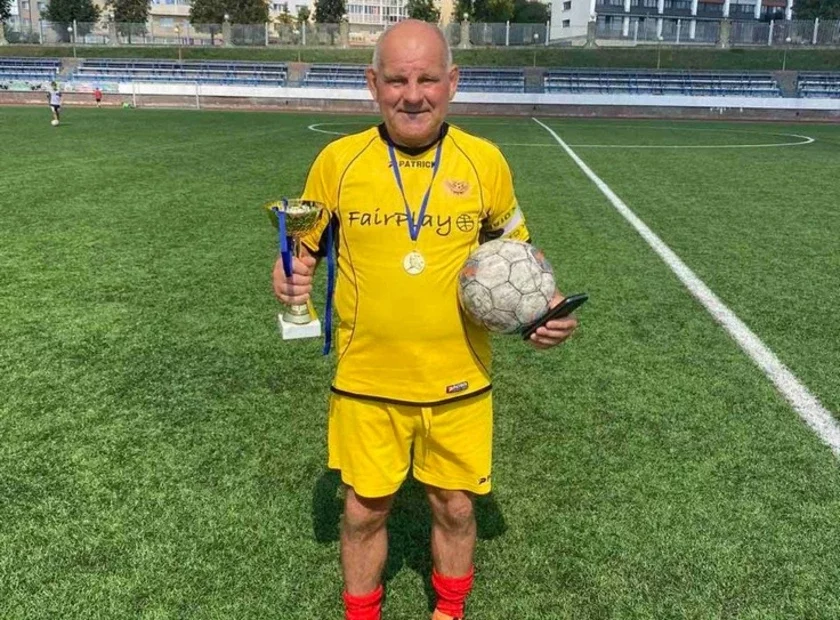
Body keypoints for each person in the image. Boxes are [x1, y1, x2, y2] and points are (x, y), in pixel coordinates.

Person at [272, 19, 579, 620]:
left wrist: (549, 311)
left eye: (428, 79)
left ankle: (449, 611)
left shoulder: (485, 162)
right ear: (373, 84)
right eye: (397, 80)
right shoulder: (337, 161)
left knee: (455, 506)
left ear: (452, 82)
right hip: (366, 379)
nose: (413, 95)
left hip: (458, 378)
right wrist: (287, 276)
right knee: (363, 510)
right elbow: (299, 252)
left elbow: (520, 260)